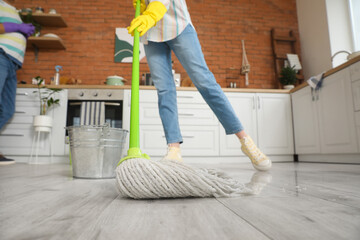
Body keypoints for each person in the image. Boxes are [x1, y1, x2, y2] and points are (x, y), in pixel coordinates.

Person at [128, 0, 271, 171]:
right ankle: (174, 149)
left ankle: (245, 141)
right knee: (164, 89)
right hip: (151, 33)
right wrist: (143, 7)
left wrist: (150, 14)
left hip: (178, 26)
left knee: (205, 82)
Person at [0, 0, 35, 165]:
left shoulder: (12, 9)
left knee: (7, 110)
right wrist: (17, 28)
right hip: (1, 56)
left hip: (12, 63)